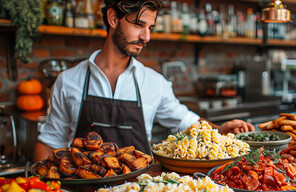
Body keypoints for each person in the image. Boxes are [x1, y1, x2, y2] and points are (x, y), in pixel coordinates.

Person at [33, 0, 254, 162]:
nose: (146, 37)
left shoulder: (154, 82)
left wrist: (220, 129)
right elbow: (49, 142)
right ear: (113, 19)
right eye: (139, 25)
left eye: (150, 28)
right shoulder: (68, 80)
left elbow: (187, 123)